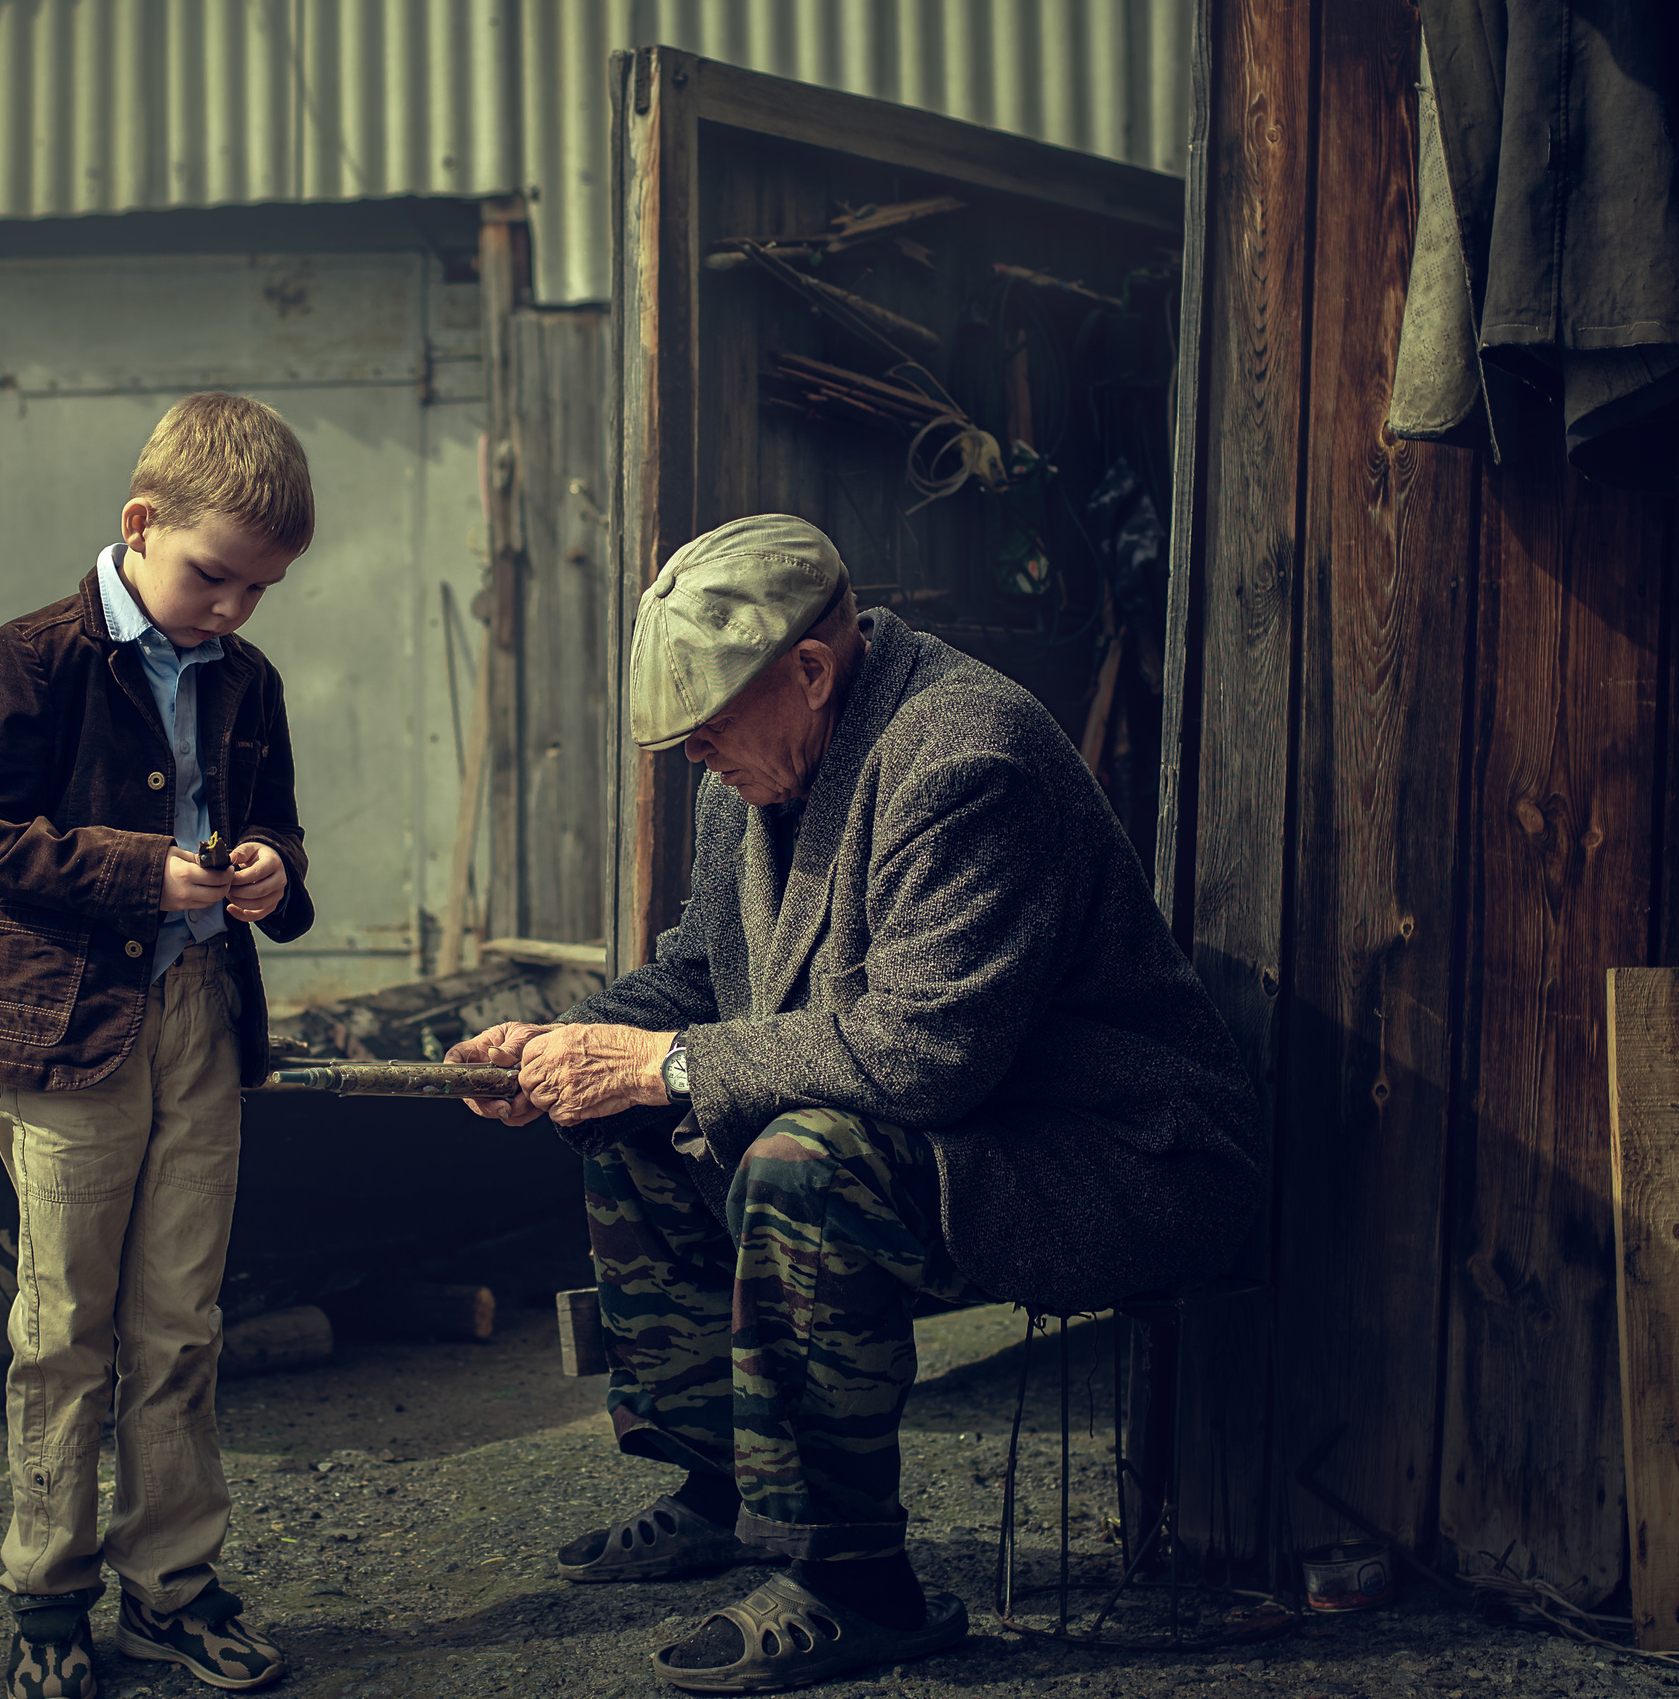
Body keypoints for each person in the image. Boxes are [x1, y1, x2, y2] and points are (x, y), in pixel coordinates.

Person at [450, 513, 1264, 1693]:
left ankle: (853, 1585)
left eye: (704, 732)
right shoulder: (764, 756)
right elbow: (700, 969)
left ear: (812, 668)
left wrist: (658, 1060)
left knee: (803, 1157)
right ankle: (724, 1485)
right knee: (627, 1105)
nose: (693, 759)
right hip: (969, 1128)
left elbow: (927, 1051)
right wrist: (567, 1044)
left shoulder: (964, 756)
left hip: (1116, 1156)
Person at [0, 392, 315, 1697]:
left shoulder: (249, 680)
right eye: (215, 576)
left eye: (260, 590)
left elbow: (281, 829)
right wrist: (134, 872)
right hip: (66, 1036)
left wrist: (269, 871)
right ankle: (47, 1594)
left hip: (203, 1022)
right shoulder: (35, 656)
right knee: (62, 1326)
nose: (233, 610)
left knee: (180, 1322)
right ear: (140, 525)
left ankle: (174, 1583)